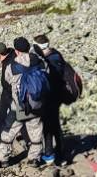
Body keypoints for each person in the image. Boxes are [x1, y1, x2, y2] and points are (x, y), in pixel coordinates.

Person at [4, 36, 53, 167]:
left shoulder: (11, 66)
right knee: (36, 132)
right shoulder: (40, 61)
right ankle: (34, 159)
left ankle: (3, 159)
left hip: (19, 106)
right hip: (37, 104)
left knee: (9, 132)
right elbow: (47, 73)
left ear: (16, 50)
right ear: (28, 48)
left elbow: (7, 80)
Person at [33, 33, 70, 164]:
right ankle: (60, 152)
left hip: (50, 97)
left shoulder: (50, 60)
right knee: (54, 125)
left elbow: (48, 78)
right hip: (57, 96)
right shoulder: (56, 54)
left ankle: (51, 154)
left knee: (48, 126)